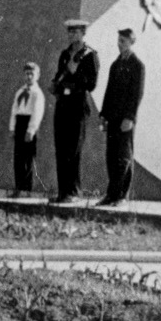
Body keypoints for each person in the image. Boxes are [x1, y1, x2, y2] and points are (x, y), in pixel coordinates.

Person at [50, 19, 100, 201]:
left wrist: (75, 74)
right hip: (63, 103)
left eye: (76, 32)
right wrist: (55, 84)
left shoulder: (89, 55)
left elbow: (91, 84)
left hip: (77, 105)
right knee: (61, 148)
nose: (72, 35)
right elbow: (58, 75)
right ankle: (63, 192)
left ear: (83, 33)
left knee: (73, 149)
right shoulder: (65, 54)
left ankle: (73, 192)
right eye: (70, 32)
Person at [99, 28, 145, 206]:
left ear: (131, 42)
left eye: (123, 41)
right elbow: (109, 91)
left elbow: (137, 94)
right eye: (118, 41)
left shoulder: (137, 65)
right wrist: (103, 115)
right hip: (112, 117)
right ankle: (111, 194)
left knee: (124, 157)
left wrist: (130, 117)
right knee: (111, 155)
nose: (120, 44)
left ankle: (121, 196)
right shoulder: (115, 65)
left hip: (126, 119)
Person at [9, 61, 46, 195]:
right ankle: (18, 188)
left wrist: (31, 130)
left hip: (29, 125)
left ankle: (26, 189)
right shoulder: (20, 91)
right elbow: (14, 110)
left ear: (37, 75)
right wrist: (12, 128)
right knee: (18, 158)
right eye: (26, 74)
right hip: (19, 124)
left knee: (27, 159)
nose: (29, 76)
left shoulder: (37, 93)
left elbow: (37, 113)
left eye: (31, 74)